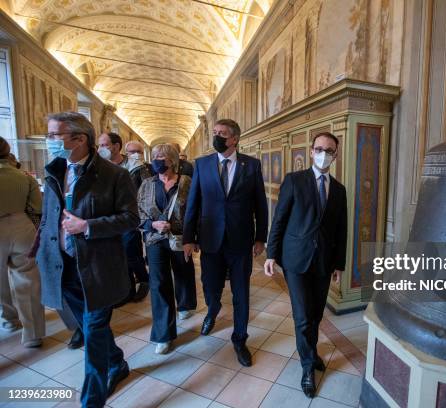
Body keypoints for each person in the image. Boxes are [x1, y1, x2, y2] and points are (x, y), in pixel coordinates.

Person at [37, 112, 138, 406]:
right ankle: (117, 362)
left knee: (93, 331)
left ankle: (91, 400)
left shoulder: (115, 175)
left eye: (55, 135)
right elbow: (49, 217)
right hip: (63, 266)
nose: (50, 141)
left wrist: (88, 226)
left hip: (98, 267)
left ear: (80, 139)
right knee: (89, 325)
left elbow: (131, 218)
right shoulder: (55, 170)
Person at [264, 131, 347, 398]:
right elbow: (279, 220)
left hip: (323, 260)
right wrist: (270, 254)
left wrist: (339, 264)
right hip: (295, 259)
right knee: (302, 316)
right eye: (320, 148)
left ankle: (310, 352)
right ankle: (308, 366)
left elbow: (341, 231)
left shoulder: (339, 190)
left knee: (316, 314)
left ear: (335, 155)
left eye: (330, 150)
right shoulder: (294, 181)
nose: (324, 154)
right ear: (311, 151)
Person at [183, 118, 267, 367]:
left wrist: (260, 236)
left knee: (241, 292)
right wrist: (189, 238)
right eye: (215, 132)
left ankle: (240, 338)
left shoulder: (251, 165)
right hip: (210, 238)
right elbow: (193, 204)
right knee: (210, 285)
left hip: (240, 239)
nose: (216, 136)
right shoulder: (202, 165)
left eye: (222, 133)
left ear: (234, 139)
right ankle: (213, 309)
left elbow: (260, 204)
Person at [138, 143, 196, 354]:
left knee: (182, 273)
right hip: (154, 239)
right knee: (159, 283)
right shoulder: (146, 184)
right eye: (154, 156)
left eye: (161, 156)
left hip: (180, 238)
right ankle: (163, 334)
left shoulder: (186, 182)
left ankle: (184, 303)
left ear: (172, 160)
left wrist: (191, 236)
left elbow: (194, 211)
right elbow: (139, 212)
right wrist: (152, 224)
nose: (157, 160)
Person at [0, 137, 46, 347]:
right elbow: (37, 207)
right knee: (28, 279)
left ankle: (9, 320)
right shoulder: (24, 176)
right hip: (22, 226)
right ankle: (34, 334)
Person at [121, 140, 153, 302]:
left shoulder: (143, 169)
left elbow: (148, 190)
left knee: (132, 251)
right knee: (123, 254)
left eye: (138, 151)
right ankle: (128, 288)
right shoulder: (118, 167)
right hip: (117, 215)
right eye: (132, 151)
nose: (135, 154)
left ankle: (144, 280)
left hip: (134, 215)